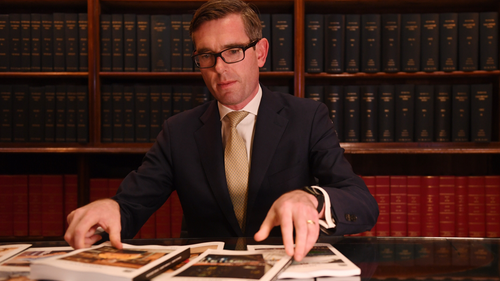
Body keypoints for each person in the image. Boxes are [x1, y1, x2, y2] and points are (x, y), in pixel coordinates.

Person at [64, 0, 379, 262]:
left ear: (260, 52)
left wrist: (311, 199)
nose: (220, 67)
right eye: (206, 55)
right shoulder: (178, 132)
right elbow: (131, 206)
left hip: (287, 267)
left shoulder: (307, 117)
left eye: (232, 51)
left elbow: (361, 202)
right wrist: (112, 208)